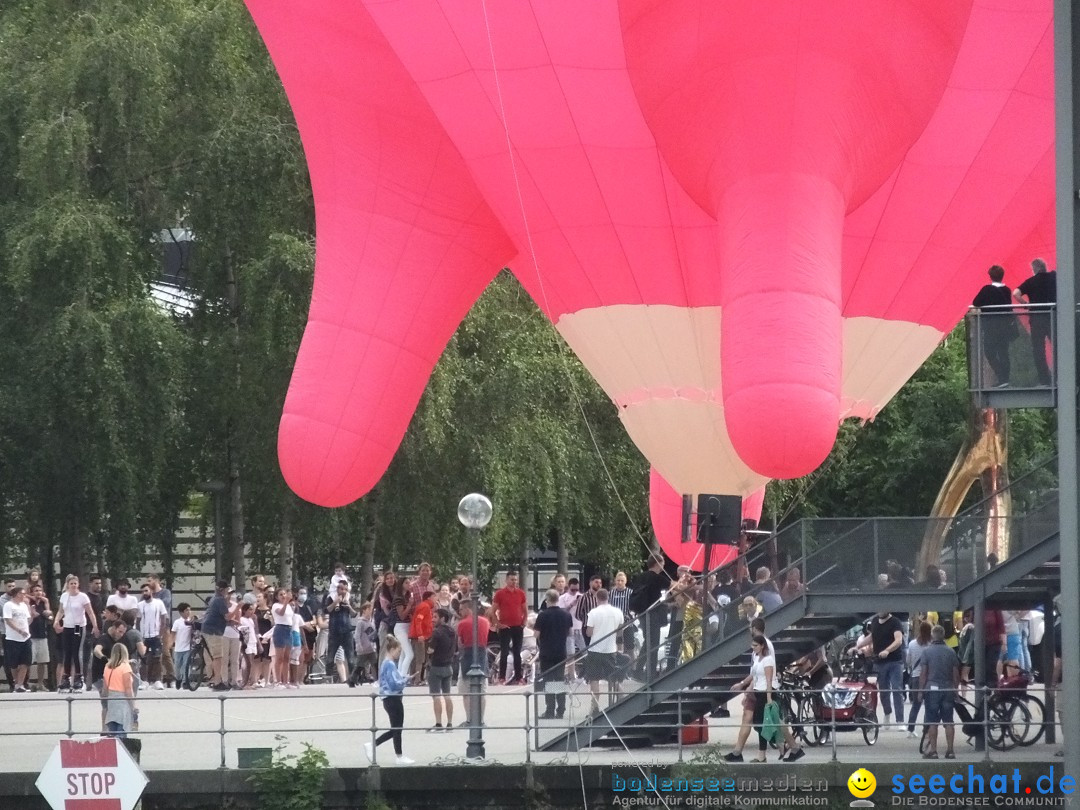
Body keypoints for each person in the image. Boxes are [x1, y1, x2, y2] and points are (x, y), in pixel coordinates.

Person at [726, 634, 802, 763]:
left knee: (762, 722)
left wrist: (768, 698)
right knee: (770, 721)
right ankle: (789, 747)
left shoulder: (767, 660)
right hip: (758, 692)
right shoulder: (757, 658)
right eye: (752, 645)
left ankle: (766, 753)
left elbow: (768, 680)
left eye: (756, 645)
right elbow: (753, 675)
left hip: (766, 693)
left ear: (762, 646)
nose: (753, 648)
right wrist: (742, 684)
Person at [364, 636, 415, 765]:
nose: (399, 654)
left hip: (389, 698)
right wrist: (406, 680)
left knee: (396, 728)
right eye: (398, 651)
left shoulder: (387, 663)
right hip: (392, 698)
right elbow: (394, 684)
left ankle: (395, 753)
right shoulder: (389, 664)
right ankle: (392, 753)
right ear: (392, 649)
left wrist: (403, 678)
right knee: (397, 728)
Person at [857, 610, 905, 731]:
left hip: (895, 661)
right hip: (879, 662)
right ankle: (887, 713)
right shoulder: (874, 621)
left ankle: (900, 720)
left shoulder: (895, 622)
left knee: (897, 689)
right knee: (883, 691)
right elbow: (872, 636)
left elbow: (898, 640)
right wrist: (857, 646)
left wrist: (887, 650)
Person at [1013, 257, 1056, 386]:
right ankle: (1060, 376)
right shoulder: (1054, 277)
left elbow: (1016, 293)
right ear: (1045, 267)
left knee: (1038, 349)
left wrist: (1026, 304)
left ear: (1034, 270)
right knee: (1058, 346)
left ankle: (1045, 380)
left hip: (1037, 317)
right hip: (1053, 315)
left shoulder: (1031, 281)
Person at [920, 624, 960, 759]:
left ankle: (934, 751)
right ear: (943, 636)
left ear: (932, 635)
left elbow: (924, 674)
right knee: (949, 721)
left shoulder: (926, 652)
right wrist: (956, 689)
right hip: (948, 688)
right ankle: (950, 750)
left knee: (932, 721)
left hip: (932, 689)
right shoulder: (951, 652)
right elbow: (955, 674)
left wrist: (920, 691)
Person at [53, 574, 99, 693]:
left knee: (76, 651)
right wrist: (56, 621)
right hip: (67, 626)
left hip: (78, 626)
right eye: (71, 583)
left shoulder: (82, 597)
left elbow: (90, 612)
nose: (73, 585)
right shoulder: (64, 596)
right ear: (67, 585)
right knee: (67, 653)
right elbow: (61, 610)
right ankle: (66, 678)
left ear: (78, 584)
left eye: (75, 583)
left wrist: (95, 626)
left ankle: (79, 677)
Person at [972, 264, 1015, 386]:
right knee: (1003, 352)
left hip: (990, 326)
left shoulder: (987, 290)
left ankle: (1001, 376)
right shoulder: (1006, 290)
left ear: (990, 276)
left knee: (989, 352)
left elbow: (976, 302)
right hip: (1004, 326)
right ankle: (1005, 379)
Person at [583, 589, 624, 714]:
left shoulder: (593, 612)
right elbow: (620, 631)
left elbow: (589, 632)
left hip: (595, 650)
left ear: (597, 598)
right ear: (608, 597)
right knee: (613, 677)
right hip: (610, 649)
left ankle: (594, 707)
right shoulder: (618, 612)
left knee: (594, 679)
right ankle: (621, 699)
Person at [533, 589, 572, 719]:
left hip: (547, 652)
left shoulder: (543, 615)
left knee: (549, 681)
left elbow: (536, 634)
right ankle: (561, 709)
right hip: (561, 651)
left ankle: (550, 710)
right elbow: (570, 633)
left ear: (547, 600)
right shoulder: (566, 614)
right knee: (559, 679)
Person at [632, 555, 669, 678]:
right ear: (657, 563)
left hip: (642, 613)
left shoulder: (640, 577)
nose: (663, 566)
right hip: (653, 613)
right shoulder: (657, 578)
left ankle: (639, 669)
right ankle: (651, 671)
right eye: (662, 563)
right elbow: (673, 586)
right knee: (654, 643)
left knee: (648, 642)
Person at [456, 599, 489, 727]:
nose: (460, 612)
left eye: (461, 609)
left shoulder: (462, 623)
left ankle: (470, 719)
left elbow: (460, 643)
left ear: (467, 609)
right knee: (481, 690)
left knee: (466, 690)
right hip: (482, 654)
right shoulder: (485, 622)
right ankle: (480, 720)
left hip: (467, 655)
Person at [493, 571, 528, 685]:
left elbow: (525, 609)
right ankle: (501, 677)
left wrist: (524, 621)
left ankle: (519, 677)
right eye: (512, 579)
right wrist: (497, 623)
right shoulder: (500, 594)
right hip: (505, 626)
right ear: (506, 580)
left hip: (518, 625)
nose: (514, 582)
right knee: (504, 652)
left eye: (515, 580)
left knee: (517, 652)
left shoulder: (520, 593)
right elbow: (493, 611)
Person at [426, 608, 456, 732]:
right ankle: (450, 723)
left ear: (443, 618)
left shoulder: (437, 632)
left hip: (436, 666)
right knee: (447, 695)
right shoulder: (452, 631)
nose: (433, 619)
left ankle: (438, 724)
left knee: (436, 696)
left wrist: (427, 648)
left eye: (435, 617)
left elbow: (431, 650)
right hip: (448, 666)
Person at [136, 582, 168, 690]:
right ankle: (144, 681)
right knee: (144, 658)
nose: (144, 593)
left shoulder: (159, 603)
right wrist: (139, 635)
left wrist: (161, 633)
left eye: (146, 590)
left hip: (155, 635)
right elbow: (138, 620)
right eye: (143, 591)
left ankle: (158, 680)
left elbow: (163, 618)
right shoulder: (140, 605)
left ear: (151, 591)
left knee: (157, 658)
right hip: (144, 636)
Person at [324, 580, 357, 684]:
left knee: (350, 658)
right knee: (330, 658)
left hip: (347, 631)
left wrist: (349, 606)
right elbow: (327, 610)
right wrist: (335, 603)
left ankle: (353, 678)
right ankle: (329, 678)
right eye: (341, 588)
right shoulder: (331, 597)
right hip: (334, 631)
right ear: (337, 589)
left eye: (345, 589)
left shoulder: (349, 598)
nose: (343, 591)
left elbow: (354, 614)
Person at [102, 644, 136, 739]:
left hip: (111, 701)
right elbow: (128, 689)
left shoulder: (107, 667)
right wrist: (133, 706)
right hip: (122, 701)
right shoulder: (125, 667)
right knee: (121, 733)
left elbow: (105, 688)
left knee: (112, 733)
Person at [3, 587, 32, 693]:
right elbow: (8, 620)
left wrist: (31, 611)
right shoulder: (8, 605)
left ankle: (20, 684)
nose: (24, 596)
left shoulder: (24, 606)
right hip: (13, 638)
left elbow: (28, 620)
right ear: (16, 594)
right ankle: (16, 682)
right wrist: (19, 630)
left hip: (25, 637)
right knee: (14, 663)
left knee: (26, 662)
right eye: (22, 594)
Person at [147, 575, 174, 687]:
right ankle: (156, 678)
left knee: (165, 652)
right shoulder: (147, 593)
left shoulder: (165, 592)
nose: (148, 583)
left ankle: (171, 677)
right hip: (151, 626)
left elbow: (164, 604)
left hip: (163, 626)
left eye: (150, 580)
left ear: (156, 581)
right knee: (153, 653)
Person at [906, 620, 932, 737]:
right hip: (929, 677)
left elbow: (908, 661)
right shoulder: (931, 645)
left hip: (916, 677)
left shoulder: (912, 644)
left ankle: (910, 729)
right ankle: (926, 730)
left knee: (916, 705)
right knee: (929, 705)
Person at [27, 584, 52, 692]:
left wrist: (47, 606)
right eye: (36, 590)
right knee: (28, 661)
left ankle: (40, 684)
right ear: (32, 593)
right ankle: (26, 683)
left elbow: (50, 618)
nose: (38, 592)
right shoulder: (29, 603)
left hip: (42, 635)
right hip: (31, 635)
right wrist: (32, 614)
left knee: (42, 661)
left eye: (40, 590)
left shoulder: (44, 603)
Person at [269, 586, 294, 690]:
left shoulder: (288, 606)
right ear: (277, 597)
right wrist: (285, 603)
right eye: (281, 595)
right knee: (279, 657)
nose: (283, 596)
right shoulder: (276, 605)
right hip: (280, 629)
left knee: (287, 657)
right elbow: (281, 613)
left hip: (288, 630)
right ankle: (278, 681)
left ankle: (286, 681)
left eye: (284, 594)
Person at [409, 591, 434, 685]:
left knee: (418, 658)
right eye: (434, 597)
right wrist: (420, 634)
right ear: (429, 598)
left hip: (420, 635)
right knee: (420, 658)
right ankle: (417, 679)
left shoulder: (424, 606)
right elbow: (419, 620)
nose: (435, 599)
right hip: (420, 636)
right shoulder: (425, 606)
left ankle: (415, 678)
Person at [350, 602, 378, 686]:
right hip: (363, 649)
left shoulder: (372, 621)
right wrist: (359, 645)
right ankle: (352, 680)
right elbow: (357, 635)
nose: (370, 611)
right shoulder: (360, 622)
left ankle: (377, 679)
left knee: (374, 664)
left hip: (371, 648)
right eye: (368, 609)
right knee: (360, 665)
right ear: (364, 611)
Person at [172, 603, 194, 690]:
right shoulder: (177, 622)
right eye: (186, 610)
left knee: (186, 665)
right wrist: (171, 643)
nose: (188, 612)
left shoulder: (191, 622)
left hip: (187, 647)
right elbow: (173, 633)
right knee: (177, 666)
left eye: (189, 610)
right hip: (178, 648)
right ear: (181, 612)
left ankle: (185, 681)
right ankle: (178, 678)